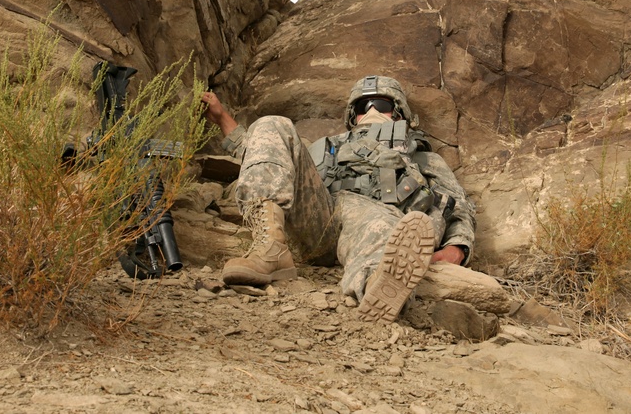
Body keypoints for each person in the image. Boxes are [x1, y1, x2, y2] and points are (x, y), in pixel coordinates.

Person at [202, 75, 476, 323]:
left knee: (384, 223)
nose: (371, 112)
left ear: (398, 113)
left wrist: (455, 250)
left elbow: (458, 207)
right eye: (362, 107)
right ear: (352, 116)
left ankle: (377, 285)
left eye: (381, 105)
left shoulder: (424, 159)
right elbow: (265, 155)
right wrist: (222, 117)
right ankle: (270, 248)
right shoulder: (327, 147)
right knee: (271, 124)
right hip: (320, 219)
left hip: (375, 221)